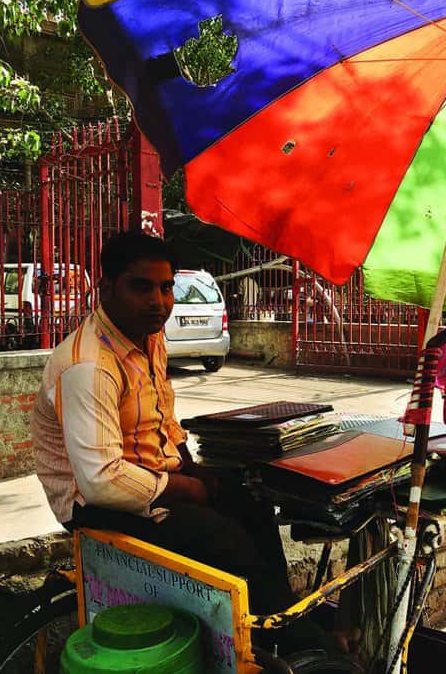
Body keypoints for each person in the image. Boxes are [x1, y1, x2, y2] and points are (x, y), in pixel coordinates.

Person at [31, 231, 326, 654]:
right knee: (224, 540)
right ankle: (297, 644)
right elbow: (100, 481)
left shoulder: (149, 338)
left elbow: (163, 420)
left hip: (153, 478)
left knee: (253, 501)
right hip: (94, 506)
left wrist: (193, 469)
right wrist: (188, 488)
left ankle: (279, 627)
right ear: (107, 289)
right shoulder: (88, 366)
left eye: (166, 287)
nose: (159, 301)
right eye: (141, 287)